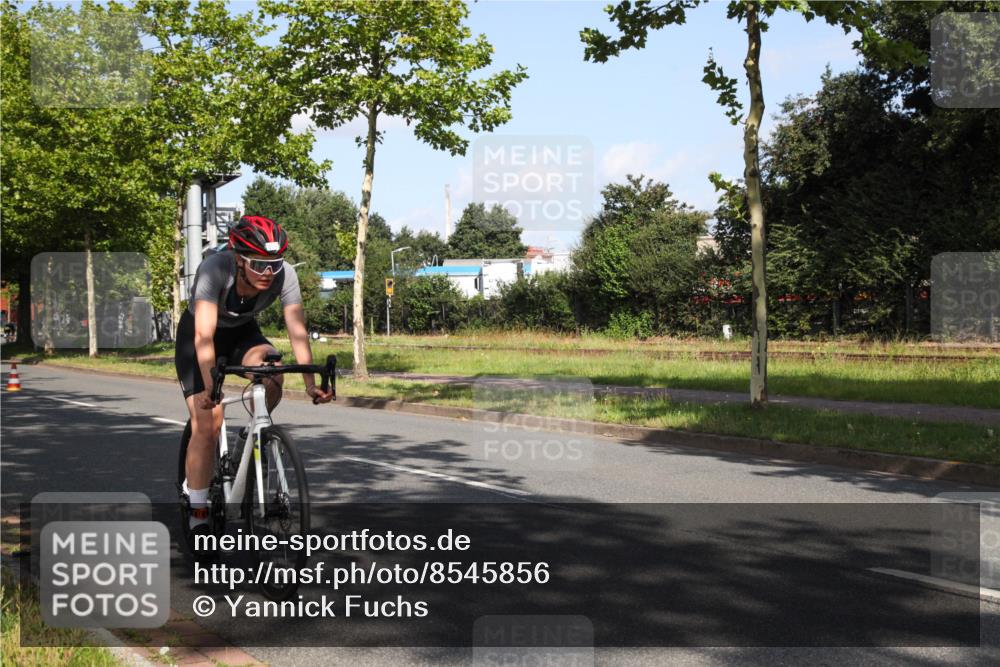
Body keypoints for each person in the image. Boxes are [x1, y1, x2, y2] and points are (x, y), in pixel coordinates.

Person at [174, 215, 332, 537]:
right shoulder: (215, 269)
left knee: (272, 370)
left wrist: (311, 384)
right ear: (238, 259)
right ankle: (199, 510)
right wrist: (210, 388)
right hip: (200, 338)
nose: (268, 272)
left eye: (274, 263)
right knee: (209, 421)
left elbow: (297, 330)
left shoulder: (284, 275)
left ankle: (252, 434)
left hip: (242, 333)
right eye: (259, 264)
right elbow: (204, 336)